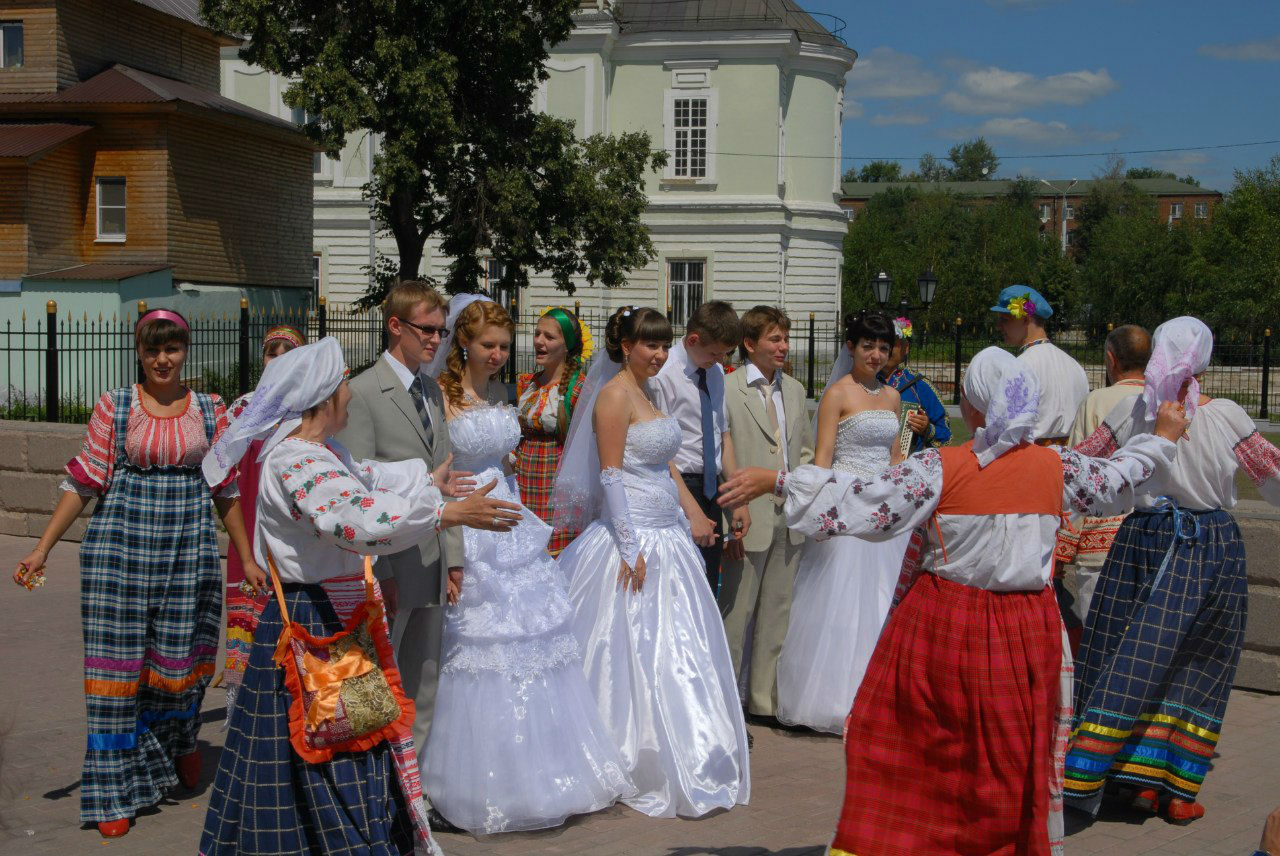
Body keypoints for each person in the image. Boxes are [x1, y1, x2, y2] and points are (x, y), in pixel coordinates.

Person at [719, 345, 1189, 856]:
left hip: (944, 622)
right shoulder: (1059, 468)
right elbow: (1121, 476)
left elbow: (862, 502)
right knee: (1005, 753)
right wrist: (1162, 437)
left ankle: (906, 841)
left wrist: (778, 481)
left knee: (915, 744)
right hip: (1024, 631)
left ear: (974, 409)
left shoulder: (941, 468)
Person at [196, 337, 523, 855]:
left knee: (348, 734)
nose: (350, 392)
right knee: (323, 743)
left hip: (333, 615)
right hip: (312, 619)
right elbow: (355, 520)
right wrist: (442, 514)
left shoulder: (322, 453)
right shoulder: (296, 461)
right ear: (324, 397)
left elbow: (368, 478)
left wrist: (428, 481)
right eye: (344, 383)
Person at [12, 309, 258, 838]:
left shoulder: (211, 410)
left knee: (181, 662)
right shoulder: (116, 405)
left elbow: (226, 489)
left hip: (188, 550)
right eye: (152, 350)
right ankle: (113, 792)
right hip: (119, 552)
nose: (162, 359)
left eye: (172, 349)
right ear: (139, 353)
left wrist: (248, 557)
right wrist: (41, 548)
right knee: (116, 673)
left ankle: (182, 741)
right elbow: (85, 480)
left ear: (185, 351)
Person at [416, 297, 632, 833]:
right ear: (463, 344)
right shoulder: (439, 395)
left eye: (503, 347)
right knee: (478, 641)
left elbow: (505, 454)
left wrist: (506, 466)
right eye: (487, 345)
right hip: (469, 522)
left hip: (510, 515)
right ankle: (465, 778)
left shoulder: (499, 393)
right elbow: (436, 467)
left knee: (535, 635)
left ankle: (544, 770)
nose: (497, 354)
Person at [1065, 317, 1280, 824]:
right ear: (1203, 360)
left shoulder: (1132, 411)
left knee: (1128, 653)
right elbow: (1272, 475)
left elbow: (1080, 468)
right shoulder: (1225, 415)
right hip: (1211, 547)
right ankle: (1176, 788)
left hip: (1142, 542)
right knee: (1200, 661)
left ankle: (1115, 775)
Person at [553, 306, 750, 818]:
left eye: (664, 345)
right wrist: (628, 546)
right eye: (650, 345)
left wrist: (693, 514)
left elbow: (666, 466)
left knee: (678, 647)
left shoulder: (651, 393)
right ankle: (624, 751)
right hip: (633, 536)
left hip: (669, 535)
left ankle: (684, 745)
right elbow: (611, 475)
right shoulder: (613, 396)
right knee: (625, 647)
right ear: (626, 347)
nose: (660, 355)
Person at [337, 281, 462, 831]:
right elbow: (359, 489)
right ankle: (372, 795)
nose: (436, 339)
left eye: (441, 330)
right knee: (377, 683)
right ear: (395, 326)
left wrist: (454, 558)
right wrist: (380, 569)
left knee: (423, 680)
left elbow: (447, 480)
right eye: (427, 329)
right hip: (391, 564)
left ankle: (415, 794)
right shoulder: (364, 392)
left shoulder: (431, 391)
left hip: (432, 559)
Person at [774, 309, 910, 734]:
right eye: (868, 346)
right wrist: (826, 512)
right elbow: (823, 459)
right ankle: (835, 698)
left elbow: (895, 456)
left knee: (882, 597)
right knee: (841, 599)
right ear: (851, 347)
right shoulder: (837, 394)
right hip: (848, 503)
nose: (875, 355)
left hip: (882, 508)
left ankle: (879, 696)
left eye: (883, 348)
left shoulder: (893, 397)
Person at [719, 306, 814, 720]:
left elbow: (804, 451)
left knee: (778, 610)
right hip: (745, 515)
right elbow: (722, 455)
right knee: (736, 612)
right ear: (749, 343)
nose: (784, 347)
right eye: (775, 339)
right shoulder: (728, 387)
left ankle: (762, 701)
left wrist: (801, 493)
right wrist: (730, 515)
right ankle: (724, 702)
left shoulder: (793, 389)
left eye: (786, 339)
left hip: (787, 514)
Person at [221, 324, 305, 712]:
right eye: (273, 353)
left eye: (288, 354)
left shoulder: (307, 409)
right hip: (250, 525)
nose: (278, 360)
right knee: (248, 613)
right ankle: (245, 706)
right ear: (262, 358)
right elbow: (222, 472)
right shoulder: (242, 409)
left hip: (290, 530)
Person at [1054, 324, 1151, 645]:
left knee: (1099, 640)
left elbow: (1076, 479)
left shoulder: (1096, 402)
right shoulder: (1165, 403)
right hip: (1154, 538)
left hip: (1102, 544)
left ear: (1111, 359)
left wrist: (1062, 548)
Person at [651, 300, 745, 593]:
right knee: (680, 586)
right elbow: (660, 450)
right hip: (678, 487)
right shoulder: (663, 374)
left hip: (711, 488)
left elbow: (722, 435)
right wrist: (691, 512)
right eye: (715, 353)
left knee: (707, 584)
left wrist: (737, 497)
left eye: (726, 354)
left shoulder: (715, 372)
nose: (720, 360)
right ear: (693, 340)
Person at [514, 306, 590, 554]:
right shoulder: (528, 383)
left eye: (549, 336)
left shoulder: (580, 388)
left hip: (556, 482)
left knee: (557, 555)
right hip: (523, 479)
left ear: (567, 345)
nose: (539, 341)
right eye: (537, 334)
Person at [992, 285, 1089, 445]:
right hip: (1071, 456)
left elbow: (1004, 426)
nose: (999, 326)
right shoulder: (1075, 366)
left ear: (1025, 319)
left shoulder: (1021, 366)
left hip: (1033, 456)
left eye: (1004, 320)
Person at [880, 315, 951, 455]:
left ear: (906, 348)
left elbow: (946, 436)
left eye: (892, 343)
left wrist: (927, 428)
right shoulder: (862, 382)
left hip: (906, 464)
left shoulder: (921, 386)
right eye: (882, 344)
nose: (886, 349)